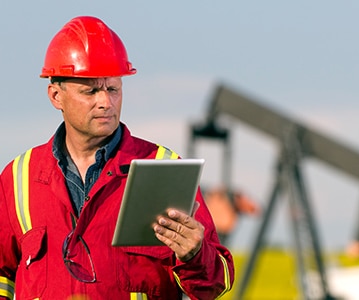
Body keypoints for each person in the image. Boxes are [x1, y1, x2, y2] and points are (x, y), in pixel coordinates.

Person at [0, 16, 234, 300]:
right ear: (55, 96)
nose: (105, 102)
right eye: (91, 91)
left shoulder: (162, 168)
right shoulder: (18, 178)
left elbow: (214, 285)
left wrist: (196, 254)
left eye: (113, 88)